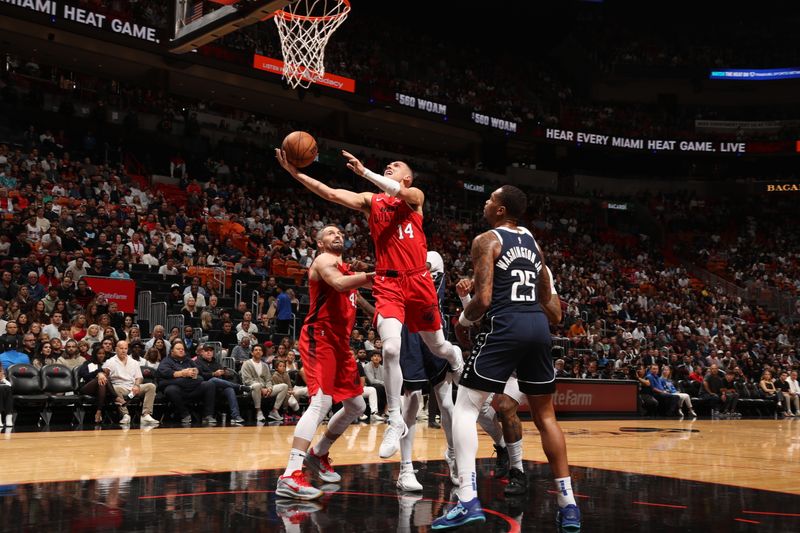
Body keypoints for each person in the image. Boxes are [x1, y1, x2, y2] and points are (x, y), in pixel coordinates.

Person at [276, 149, 464, 460]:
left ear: (405, 177)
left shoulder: (415, 197)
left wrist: (364, 172)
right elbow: (331, 193)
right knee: (390, 349)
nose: (389, 165)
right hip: (388, 283)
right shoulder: (371, 202)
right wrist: (296, 175)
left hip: (419, 282)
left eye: (396, 165)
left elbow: (400, 192)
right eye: (387, 165)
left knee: (439, 346)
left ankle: (453, 355)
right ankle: (394, 419)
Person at [432, 185, 580, 530]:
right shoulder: (533, 243)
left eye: (490, 199)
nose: (485, 202)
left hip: (507, 324)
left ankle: (467, 499)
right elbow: (550, 304)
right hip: (539, 328)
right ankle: (568, 504)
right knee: (546, 417)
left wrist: (463, 321)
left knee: (466, 407)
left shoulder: (486, 240)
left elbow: (482, 299)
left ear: (500, 210)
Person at [275, 225, 375, 500]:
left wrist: (377, 309)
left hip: (341, 345)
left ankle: (317, 454)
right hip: (320, 335)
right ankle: (291, 474)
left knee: (357, 405)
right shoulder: (323, 261)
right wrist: (375, 274)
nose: (338, 235)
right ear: (320, 243)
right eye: (331, 233)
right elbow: (343, 285)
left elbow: (357, 292)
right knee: (322, 401)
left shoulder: (345, 269)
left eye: (340, 232)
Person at [395, 251, 458, 491]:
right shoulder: (399, 260)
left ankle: (452, 454)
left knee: (447, 404)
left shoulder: (433, 256)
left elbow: (412, 273)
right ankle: (405, 469)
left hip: (434, 329)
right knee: (411, 404)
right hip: (409, 332)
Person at [157, 340, 217, 426]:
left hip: (192, 387)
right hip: (178, 390)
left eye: (182, 349)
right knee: (171, 389)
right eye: (178, 349)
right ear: (172, 351)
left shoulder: (188, 360)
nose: (181, 350)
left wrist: (195, 371)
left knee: (209, 384)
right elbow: (166, 373)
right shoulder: (166, 361)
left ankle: (208, 415)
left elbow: (199, 371)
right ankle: (185, 414)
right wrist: (182, 373)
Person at [103, 340, 159, 426]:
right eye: (121, 348)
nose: (123, 350)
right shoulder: (110, 362)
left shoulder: (134, 362)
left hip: (133, 388)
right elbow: (104, 375)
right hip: (120, 387)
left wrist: (136, 385)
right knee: (116, 388)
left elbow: (139, 377)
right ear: (116, 349)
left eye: (125, 348)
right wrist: (101, 374)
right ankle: (125, 415)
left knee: (151, 386)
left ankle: (146, 415)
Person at [194, 343, 248, 425]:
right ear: (202, 352)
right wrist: (213, 374)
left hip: (219, 387)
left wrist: (226, 373)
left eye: (211, 351)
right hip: (205, 387)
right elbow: (200, 375)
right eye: (206, 351)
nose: (209, 352)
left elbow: (225, 376)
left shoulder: (216, 363)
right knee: (214, 380)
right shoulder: (197, 362)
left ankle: (236, 416)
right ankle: (239, 387)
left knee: (229, 389)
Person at [77, 345, 124, 424]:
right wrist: (98, 373)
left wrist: (102, 374)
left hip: (101, 388)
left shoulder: (106, 364)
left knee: (102, 381)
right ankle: (115, 397)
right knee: (102, 378)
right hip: (87, 387)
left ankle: (98, 412)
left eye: (103, 353)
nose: (101, 355)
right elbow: (84, 375)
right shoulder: (88, 362)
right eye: (99, 353)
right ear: (95, 354)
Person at [241, 344, 287, 423]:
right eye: (256, 350)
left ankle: (274, 411)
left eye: (260, 350)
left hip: (265, 389)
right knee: (257, 385)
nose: (258, 351)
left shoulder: (265, 365)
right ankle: (258, 411)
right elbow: (247, 380)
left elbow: (268, 380)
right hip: (251, 389)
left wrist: (269, 388)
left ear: (262, 353)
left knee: (284, 386)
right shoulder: (246, 364)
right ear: (252, 353)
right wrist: (261, 388)